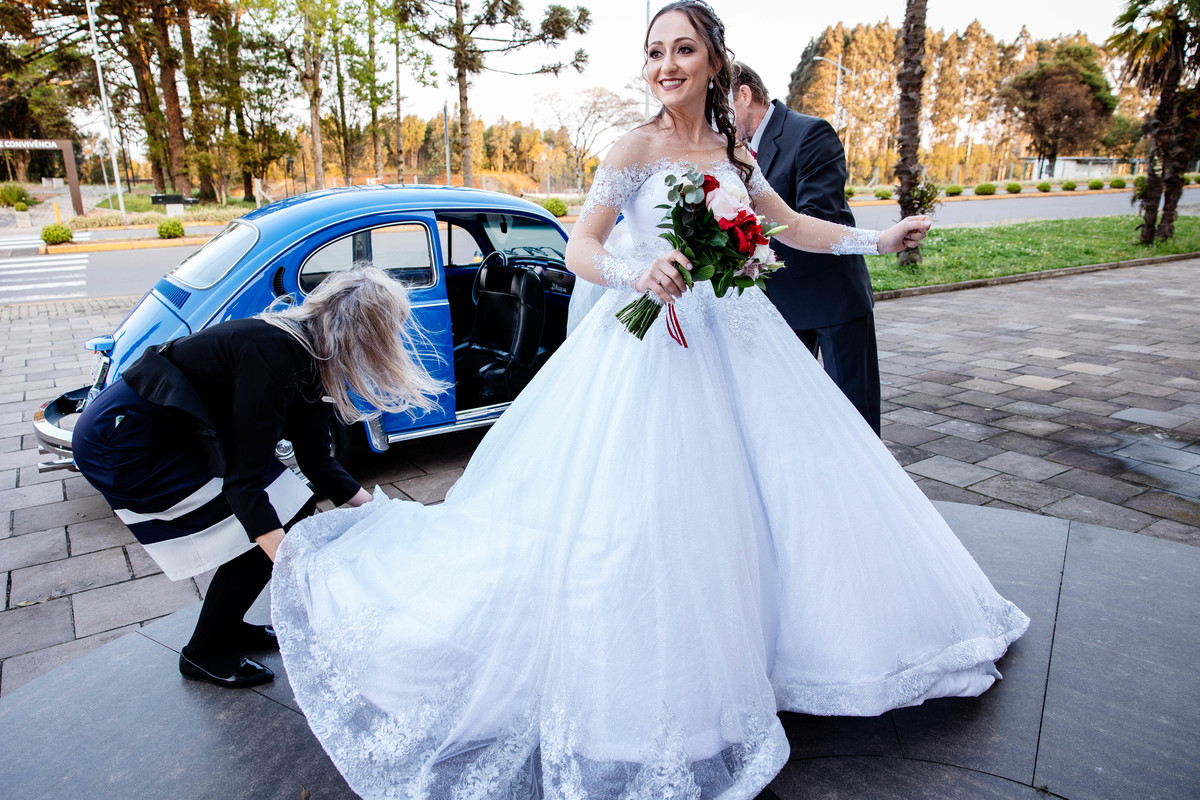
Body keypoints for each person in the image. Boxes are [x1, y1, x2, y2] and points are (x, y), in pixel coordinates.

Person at [271, 3, 1028, 798]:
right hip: (655, 347)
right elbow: (580, 247)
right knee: (657, 511)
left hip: (740, 337)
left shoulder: (734, 150)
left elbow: (789, 226)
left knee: (784, 492)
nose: (667, 65)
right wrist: (637, 273)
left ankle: (792, 651)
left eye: (683, 49)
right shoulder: (633, 148)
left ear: (714, 62)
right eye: (655, 51)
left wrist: (876, 239)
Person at [72, 267, 443, 689]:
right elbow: (243, 483)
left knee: (289, 507)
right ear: (367, 334)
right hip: (123, 440)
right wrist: (296, 568)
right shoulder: (275, 353)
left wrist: (384, 515)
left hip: (162, 430)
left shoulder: (312, 353)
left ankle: (227, 626)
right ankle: (203, 652)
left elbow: (318, 463)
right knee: (267, 520)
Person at [732, 61, 882, 433]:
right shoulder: (734, 152)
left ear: (744, 95)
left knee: (854, 417)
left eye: (718, 106)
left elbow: (818, 215)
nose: (713, 120)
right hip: (777, 305)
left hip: (831, 299)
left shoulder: (810, 133)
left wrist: (740, 236)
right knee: (791, 416)